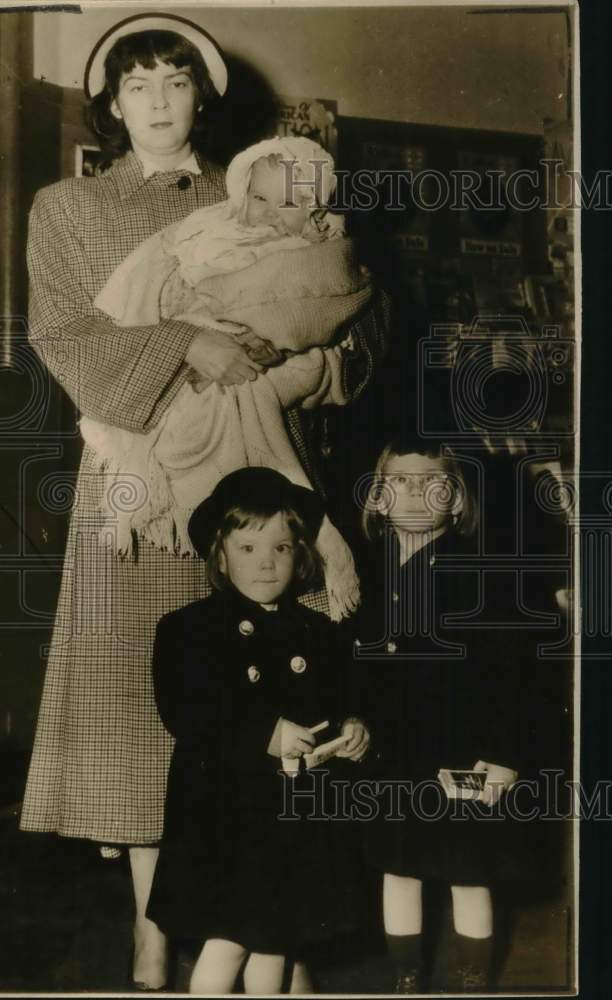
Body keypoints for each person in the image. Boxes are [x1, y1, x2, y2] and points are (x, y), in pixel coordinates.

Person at [19, 13, 390, 990]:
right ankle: (154, 928)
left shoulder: (260, 189)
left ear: (203, 97)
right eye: (136, 84)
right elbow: (61, 336)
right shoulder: (67, 208)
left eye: (175, 83)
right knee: (142, 714)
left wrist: (309, 366)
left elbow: (354, 313)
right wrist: (188, 344)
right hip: (135, 481)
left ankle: (278, 927)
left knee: (267, 693)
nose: (156, 102)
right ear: (109, 101)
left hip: (251, 482)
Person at [82, 135, 373, 620]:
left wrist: (278, 334)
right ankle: (154, 488)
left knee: (243, 406)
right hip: (209, 372)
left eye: (289, 203)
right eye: (259, 198)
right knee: (206, 413)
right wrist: (198, 331)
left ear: (316, 210)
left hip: (292, 368)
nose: (268, 214)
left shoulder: (322, 241)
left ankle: (304, 532)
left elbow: (339, 291)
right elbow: (174, 290)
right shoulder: (214, 227)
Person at [147, 467, 370, 994]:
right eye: (247, 549)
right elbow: (186, 708)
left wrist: (354, 726)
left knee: (277, 939)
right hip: (223, 817)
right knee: (228, 941)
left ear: (302, 556)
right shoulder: (190, 628)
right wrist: (265, 733)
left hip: (293, 821)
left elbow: (339, 699)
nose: (266, 563)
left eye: (282, 548)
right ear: (220, 556)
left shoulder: (318, 632)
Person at [352, 433, 544, 993]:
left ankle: (472, 980)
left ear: (457, 500)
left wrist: (505, 756)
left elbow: (517, 676)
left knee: (469, 871)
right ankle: (407, 976)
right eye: (399, 482)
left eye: (432, 483)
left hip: (465, 755)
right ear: (378, 498)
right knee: (399, 866)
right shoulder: (360, 573)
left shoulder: (483, 575)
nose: (414, 493)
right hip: (393, 756)